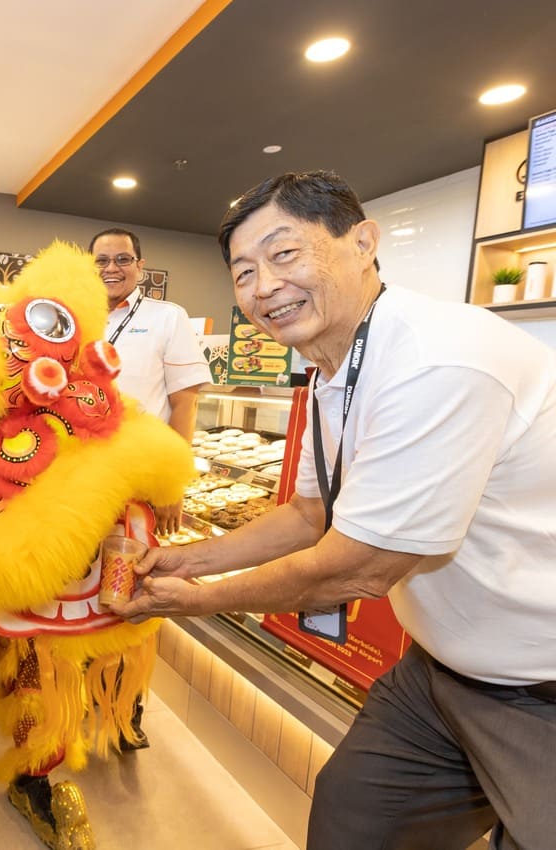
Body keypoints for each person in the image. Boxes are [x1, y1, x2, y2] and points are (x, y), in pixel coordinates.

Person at [115, 170, 556, 850]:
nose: (263, 287)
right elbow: (307, 515)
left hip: (540, 689)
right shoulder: (335, 369)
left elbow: (362, 568)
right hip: (440, 675)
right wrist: (186, 558)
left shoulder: (435, 358)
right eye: (244, 271)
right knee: (354, 822)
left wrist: (189, 600)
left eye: (284, 254)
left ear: (363, 243)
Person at [87, 227, 211, 749]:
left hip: (138, 489)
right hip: (74, 487)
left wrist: (171, 480)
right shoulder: (74, 317)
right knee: (72, 595)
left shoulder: (167, 318)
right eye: (101, 260)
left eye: (122, 259)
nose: (111, 268)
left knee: (130, 595)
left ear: (140, 265)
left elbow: (184, 403)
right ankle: (74, 702)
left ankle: (124, 708)